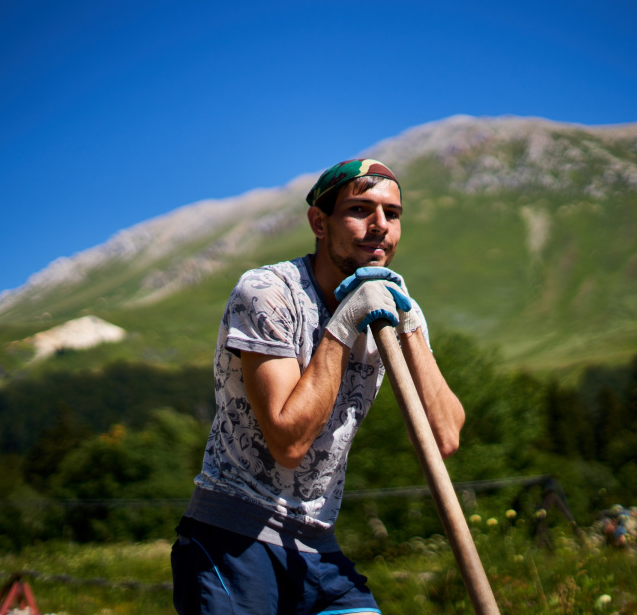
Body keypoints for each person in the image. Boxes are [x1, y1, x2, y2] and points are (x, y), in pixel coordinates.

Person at [171, 158, 465, 614]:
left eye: (392, 214)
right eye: (360, 210)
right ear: (319, 222)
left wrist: (409, 325)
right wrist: (344, 323)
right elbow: (289, 442)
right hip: (233, 538)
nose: (380, 226)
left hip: (317, 545)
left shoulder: (392, 305)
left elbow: (443, 436)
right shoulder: (268, 292)